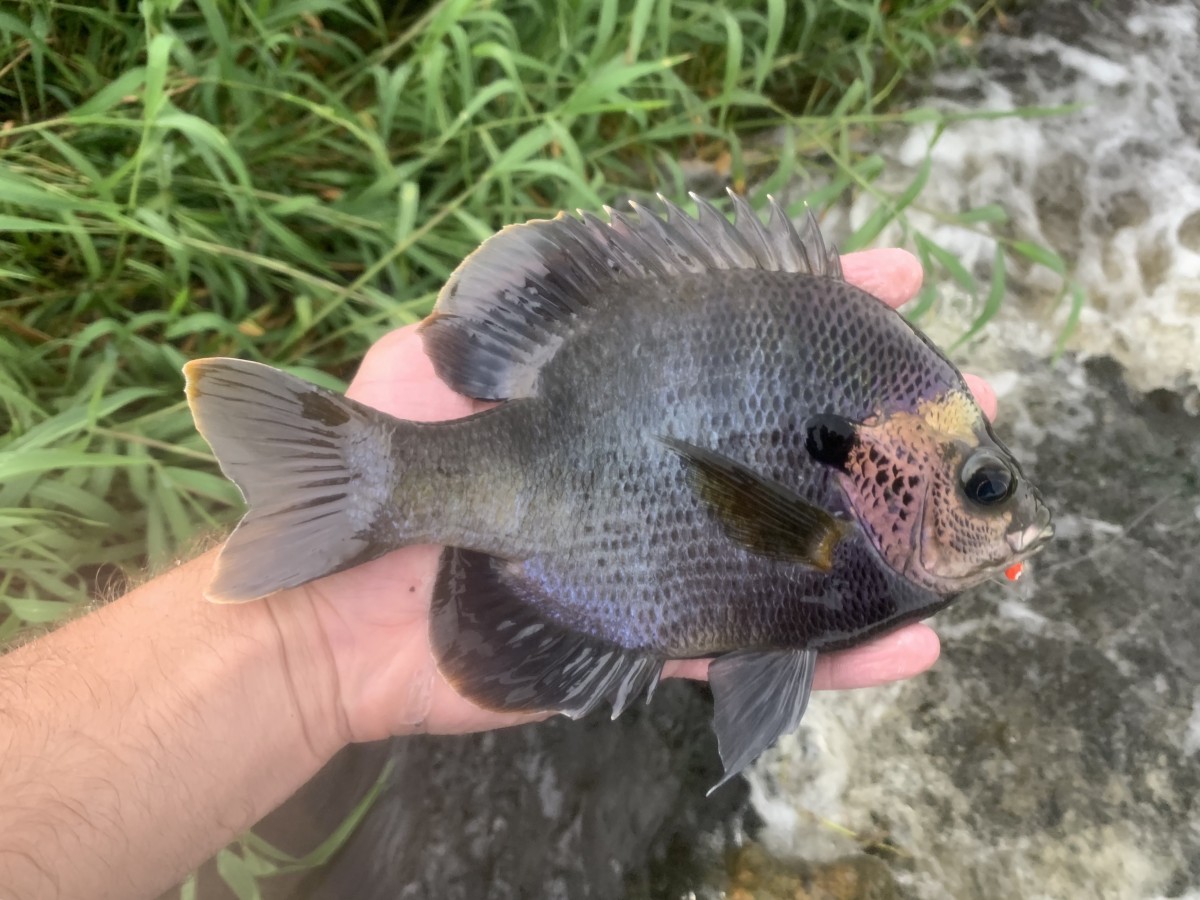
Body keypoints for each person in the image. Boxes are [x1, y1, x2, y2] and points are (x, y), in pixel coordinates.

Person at [0, 247, 997, 900]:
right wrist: (296, 648)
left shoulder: (861, 511)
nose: (995, 513)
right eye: (982, 484)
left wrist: (297, 656)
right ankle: (370, 475)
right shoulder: (843, 524)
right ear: (895, 459)